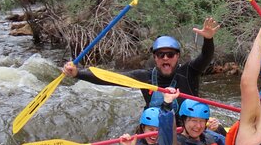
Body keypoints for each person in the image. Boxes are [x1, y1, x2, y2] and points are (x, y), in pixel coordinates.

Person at [63, 17, 220, 111]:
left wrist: (208, 39)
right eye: (160, 55)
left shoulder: (189, 72)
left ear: (177, 56)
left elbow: (206, 56)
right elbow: (111, 78)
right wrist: (78, 73)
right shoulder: (144, 77)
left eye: (170, 54)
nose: (165, 58)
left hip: (189, 129)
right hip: (156, 130)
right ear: (155, 57)